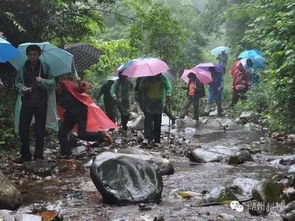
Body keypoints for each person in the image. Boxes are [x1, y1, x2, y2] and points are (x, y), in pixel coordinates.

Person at [14, 45, 58, 163]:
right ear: (27, 55)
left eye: (34, 54)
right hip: (27, 102)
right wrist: (22, 88)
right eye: (30, 54)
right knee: (23, 129)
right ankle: (25, 154)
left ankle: (39, 155)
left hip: (41, 103)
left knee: (39, 130)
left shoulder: (45, 67)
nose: (32, 57)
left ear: (39, 55)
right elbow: (17, 83)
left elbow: (53, 83)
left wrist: (42, 81)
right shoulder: (23, 68)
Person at [56, 80, 116, 158]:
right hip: (72, 114)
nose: (56, 87)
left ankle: (102, 136)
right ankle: (66, 154)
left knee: (81, 134)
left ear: (60, 85)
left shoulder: (67, 90)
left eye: (57, 85)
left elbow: (81, 89)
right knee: (62, 133)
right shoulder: (61, 92)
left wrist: (80, 84)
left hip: (79, 113)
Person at [138, 73, 172, 144]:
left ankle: (157, 139)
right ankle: (147, 137)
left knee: (157, 120)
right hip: (148, 102)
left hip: (159, 102)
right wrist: (145, 85)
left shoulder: (163, 78)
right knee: (148, 120)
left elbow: (168, 86)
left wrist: (168, 92)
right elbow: (140, 87)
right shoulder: (146, 78)